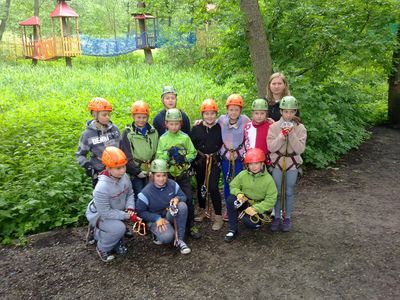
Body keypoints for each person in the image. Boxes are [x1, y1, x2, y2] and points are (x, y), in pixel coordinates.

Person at [85, 146, 138, 262]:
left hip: (116, 211)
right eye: (118, 168)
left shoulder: (124, 177)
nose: (123, 170)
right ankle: (102, 247)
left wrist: (130, 208)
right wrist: (125, 215)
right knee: (119, 229)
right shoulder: (101, 188)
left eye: (124, 166)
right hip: (100, 214)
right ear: (108, 168)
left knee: (119, 228)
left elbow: (130, 193)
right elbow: (105, 212)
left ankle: (111, 237)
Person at [156, 108, 201, 239]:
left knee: (187, 199)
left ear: (180, 124)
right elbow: (159, 155)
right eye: (171, 123)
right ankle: (169, 225)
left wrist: (185, 158)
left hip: (183, 174)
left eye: (176, 124)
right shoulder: (163, 139)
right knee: (168, 201)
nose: (174, 126)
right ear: (166, 124)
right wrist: (167, 155)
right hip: (168, 176)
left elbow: (193, 152)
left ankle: (191, 225)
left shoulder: (185, 137)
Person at [267, 96, 307, 232]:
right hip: (278, 163)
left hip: (292, 163)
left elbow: (300, 149)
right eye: (285, 111)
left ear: (295, 112)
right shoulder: (273, 127)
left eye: (291, 112)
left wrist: (292, 135)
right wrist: (281, 136)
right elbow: (271, 147)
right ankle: (277, 216)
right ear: (281, 111)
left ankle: (287, 217)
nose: (288, 115)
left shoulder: (300, 128)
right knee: (278, 192)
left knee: (289, 192)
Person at [136, 159, 191, 255]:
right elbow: (140, 211)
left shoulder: (172, 184)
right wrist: (156, 218)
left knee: (182, 206)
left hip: (169, 214)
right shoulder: (145, 192)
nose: (161, 179)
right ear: (152, 176)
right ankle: (157, 233)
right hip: (156, 219)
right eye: (158, 176)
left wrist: (177, 198)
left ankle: (180, 240)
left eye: (164, 175)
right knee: (168, 237)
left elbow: (183, 197)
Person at [224, 148, 277, 242]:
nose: (253, 167)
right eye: (251, 164)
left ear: (262, 164)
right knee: (231, 200)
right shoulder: (243, 174)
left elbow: (271, 200)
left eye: (256, 163)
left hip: (258, 206)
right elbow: (233, 186)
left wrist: (256, 208)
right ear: (247, 164)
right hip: (245, 201)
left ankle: (253, 219)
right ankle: (232, 229)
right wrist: (238, 193)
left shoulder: (269, 180)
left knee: (250, 224)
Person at [190, 99, 224, 230]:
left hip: (214, 161)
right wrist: (192, 164)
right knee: (201, 186)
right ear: (202, 115)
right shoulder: (197, 128)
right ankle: (203, 210)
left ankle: (218, 216)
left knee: (213, 187)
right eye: (206, 114)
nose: (209, 116)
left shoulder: (220, 127)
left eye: (212, 113)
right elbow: (192, 146)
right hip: (200, 161)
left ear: (216, 114)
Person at [76, 97, 121, 188]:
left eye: (109, 114)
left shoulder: (114, 130)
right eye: (104, 115)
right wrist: (88, 166)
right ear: (94, 115)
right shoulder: (87, 134)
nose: (107, 117)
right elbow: (80, 155)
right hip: (99, 172)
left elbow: (121, 148)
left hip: (117, 170)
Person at [219, 94, 250, 219]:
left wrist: (268, 120)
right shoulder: (221, 120)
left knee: (239, 183)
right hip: (226, 157)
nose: (233, 112)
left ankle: (239, 206)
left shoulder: (245, 120)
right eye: (231, 109)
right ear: (227, 110)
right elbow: (209, 121)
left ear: (240, 110)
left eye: (236, 109)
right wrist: (201, 121)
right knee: (227, 183)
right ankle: (229, 207)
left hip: (238, 157)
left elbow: (256, 124)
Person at [120, 100, 158, 202]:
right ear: (133, 117)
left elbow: (157, 150)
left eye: (144, 117)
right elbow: (126, 155)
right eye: (138, 117)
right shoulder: (128, 133)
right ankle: (140, 216)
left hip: (151, 169)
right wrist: (137, 171)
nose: (141, 120)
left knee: (152, 194)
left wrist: (155, 168)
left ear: (148, 117)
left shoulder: (153, 132)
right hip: (136, 170)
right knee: (140, 195)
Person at [244, 98, 274, 165]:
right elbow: (246, 142)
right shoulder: (248, 126)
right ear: (252, 113)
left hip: (265, 160)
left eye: (262, 113)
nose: (259, 116)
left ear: (266, 114)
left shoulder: (270, 126)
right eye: (256, 113)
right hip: (251, 160)